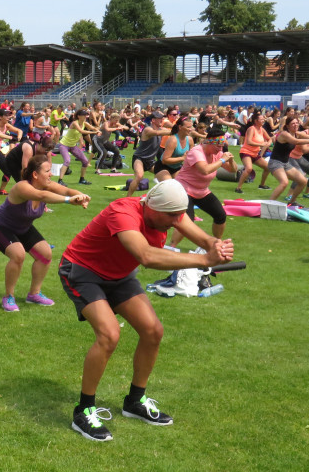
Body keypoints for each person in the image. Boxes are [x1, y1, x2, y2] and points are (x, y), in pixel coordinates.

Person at [60, 180, 234, 441]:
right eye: (172, 216)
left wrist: (213, 244)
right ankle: (84, 410)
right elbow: (147, 256)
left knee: (153, 331)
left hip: (118, 275)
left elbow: (196, 232)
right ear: (153, 208)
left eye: (179, 215)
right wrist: (203, 260)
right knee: (109, 335)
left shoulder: (168, 211)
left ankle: (135, 401)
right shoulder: (123, 213)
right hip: (83, 272)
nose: (176, 221)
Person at [0, 154, 91, 312]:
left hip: (22, 227)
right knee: (18, 255)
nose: (52, 174)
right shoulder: (22, 187)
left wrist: (81, 196)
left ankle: (34, 294)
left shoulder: (47, 186)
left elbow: (67, 190)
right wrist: (68, 200)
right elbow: (41, 196)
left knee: (45, 254)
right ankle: (8, 296)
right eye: (48, 171)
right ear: (35, 174)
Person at [173, 127, 236, 239]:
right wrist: (222, 160)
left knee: (220, 215)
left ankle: (216, 243)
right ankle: (172, 246)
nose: (220, 149)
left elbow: (233, 170)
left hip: (202, 191)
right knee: (187, 221)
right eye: (218, 145)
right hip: (185, 190)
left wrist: (230, 160)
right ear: (209, 142)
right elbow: (205, 170)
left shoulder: (218, 152)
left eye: (222, 146)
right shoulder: (196, 152)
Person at [126, 111, 168, 197]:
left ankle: (163, 198)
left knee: (166, 178)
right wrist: (173, 131)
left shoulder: (161, 130)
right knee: (139, 176)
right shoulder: (148, 129)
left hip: (150, 161)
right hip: (139, 158)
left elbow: (167, 130)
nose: (161, 120)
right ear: (153, 120)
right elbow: (157, 133)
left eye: (162, 118)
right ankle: (128, 198)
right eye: (159, 119)